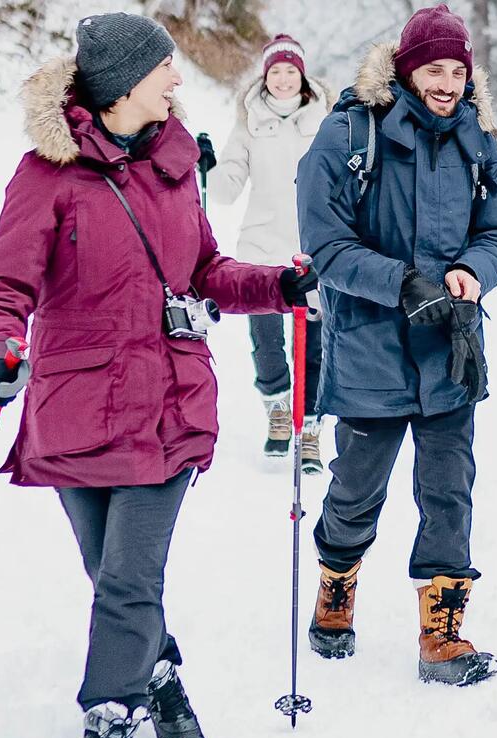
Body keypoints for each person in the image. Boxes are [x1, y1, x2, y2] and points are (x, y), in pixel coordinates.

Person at [0, 12, 316, 738]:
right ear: (124, 84)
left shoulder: (172, 166)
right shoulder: (45, 177)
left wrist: (275, 287)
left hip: (167, 406)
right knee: (108, 575)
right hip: (74, 407)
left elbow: (203, 269)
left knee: (128, 578)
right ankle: (160, 678)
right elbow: (4, 288)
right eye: (165, 71)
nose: (177, 82)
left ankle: (106, 733)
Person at [295, 4, 497, 687]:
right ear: (405, 67)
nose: (447, 82)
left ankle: (440, 634)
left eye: (458, 70)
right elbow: (325, 247)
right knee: (357, 489)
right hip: (370, 350)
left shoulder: (477, 140)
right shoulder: (346, 135)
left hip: (450, 353)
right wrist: (401, 283)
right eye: (434, 68)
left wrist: (473, 271)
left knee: (449, 491)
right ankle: (337, 582)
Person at [201, 33, 336, 469]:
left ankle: (310, 427)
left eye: (290, 71)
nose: (282, 79)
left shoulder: (328, 121)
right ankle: (278, 409)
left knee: (314, 346)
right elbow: (224, 191)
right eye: (275, 71)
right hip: (261, 247)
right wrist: (206, 166)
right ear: (265, 77)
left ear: (302, 75)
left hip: (312, 248)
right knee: (266, 342)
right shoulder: (250, 123)